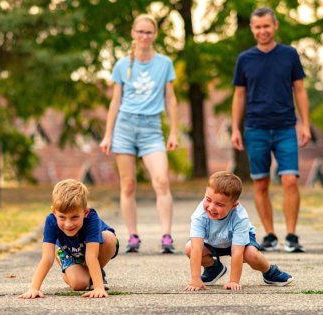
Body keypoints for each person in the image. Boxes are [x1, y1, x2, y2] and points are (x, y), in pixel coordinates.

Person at [230, 7, 311, 253]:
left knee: (289, 181)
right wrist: (235, 128)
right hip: (255, 128)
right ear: (252, 29)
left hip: (286, 126)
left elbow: (300, 89)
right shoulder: (245, 59)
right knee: (261, 183)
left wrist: (305, 123)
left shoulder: (289, 55)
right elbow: (239, 95)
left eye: (266, 26)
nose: (262, 30)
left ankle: (292, 235)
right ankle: (270, 235)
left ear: (275, 26)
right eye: (258, 27)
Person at [99, 14, 178, 254]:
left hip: (152, 127)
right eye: (140, 32)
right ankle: (133, 236)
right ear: (133, 33)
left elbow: (171, 98)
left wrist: (174, 131)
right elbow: (115, 102)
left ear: (155, 35)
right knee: (128, 184)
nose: (144, 36)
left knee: (162, 181)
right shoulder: (122, 65)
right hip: (125, 126)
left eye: (149, 32)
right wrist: (108, 134)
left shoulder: (164, 63)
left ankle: (166, 236)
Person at [184, 171, 293, 291]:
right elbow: (196, 248)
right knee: (189, 248)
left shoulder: (240, 217)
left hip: (237, 243)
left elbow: (237, 253)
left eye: (219, 204)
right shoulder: (199, 215)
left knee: (251, 254)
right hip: (212, 241)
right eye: (208, 199)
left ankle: (269, 272)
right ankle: (213, 268)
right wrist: (195, 279)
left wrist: (233, 281)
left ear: (234, 205)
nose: (211, 207)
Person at [19, 179, 118, 299]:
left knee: (109, 238)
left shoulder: (92, 219)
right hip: (70, 251)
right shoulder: (51, 221)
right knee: (79, 284)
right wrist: (34, 288)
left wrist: (98, 288)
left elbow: (91, 256)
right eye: (62, 217)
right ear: (54, 212)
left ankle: (96, 275)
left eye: (75, 217)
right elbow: (47, 258)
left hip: (96, 248)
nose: (68, 224)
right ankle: (63, 258)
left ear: (85, 212)